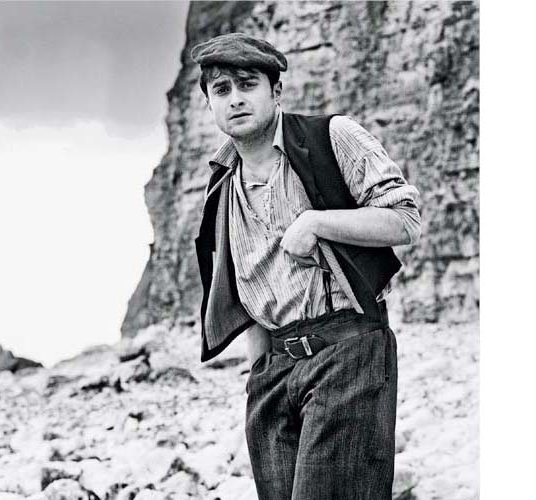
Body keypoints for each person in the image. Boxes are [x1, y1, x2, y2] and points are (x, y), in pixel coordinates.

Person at [191, 32, 421, 500]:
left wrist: (317, 221)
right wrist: (259, 377)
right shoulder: (222, 189)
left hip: (347, 351)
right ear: (210, 104)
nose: (235, 99)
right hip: (273, 375)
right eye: (222, 89)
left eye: (247, 84)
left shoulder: (332, 136)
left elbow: (405, 218)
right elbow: (249, 290)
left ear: (275, 91)